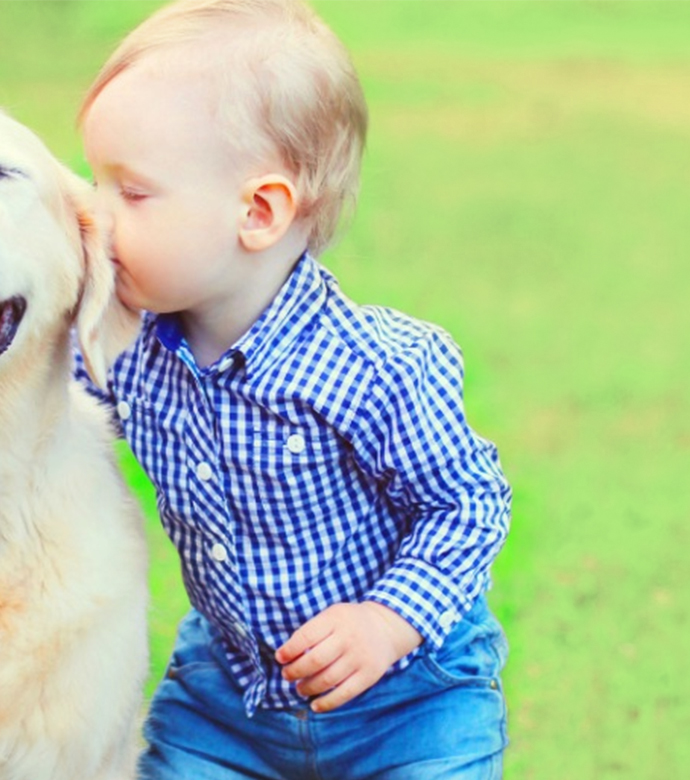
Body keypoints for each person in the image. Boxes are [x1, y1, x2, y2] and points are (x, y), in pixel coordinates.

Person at [74, 0, 512, 778]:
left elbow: (468, 504)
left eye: (130, 194)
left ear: (259, 211)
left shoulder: (379, 367)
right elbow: (28, 421)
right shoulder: (117, 345)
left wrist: (387, 620)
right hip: (227, 703)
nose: (92, 217)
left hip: (407, 702)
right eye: (93, 181)